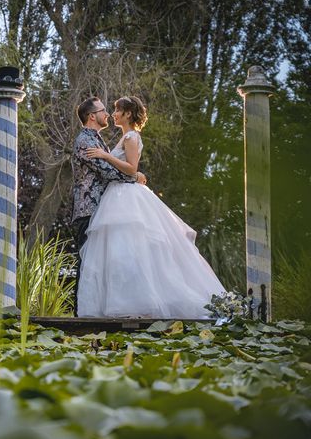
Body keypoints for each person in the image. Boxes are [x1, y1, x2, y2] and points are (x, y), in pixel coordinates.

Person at [77, 96, 225, 318]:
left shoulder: (130, 137)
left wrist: (110, 158)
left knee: (130, 249)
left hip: (124, 197)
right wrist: (129, 171)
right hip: (113, 197)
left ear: (127, 114)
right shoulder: (108, 138)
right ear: (91, 115)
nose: (111, 114)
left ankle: (137, 303)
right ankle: (122, 301)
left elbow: (130, 167)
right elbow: (126, 170)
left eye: (116, 110)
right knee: (119, 252)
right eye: (109, 111)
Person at [71, 96, 146, 316]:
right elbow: (106, 171)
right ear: (92, 116)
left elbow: (116, 166)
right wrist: (136, 177)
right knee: (87, 265)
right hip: (88, 210)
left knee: (101, 263)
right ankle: (81, 315)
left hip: (102, 210)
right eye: (104, 110)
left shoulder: (98, 140)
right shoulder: (85, 140)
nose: (108, 114)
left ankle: (102, 310)